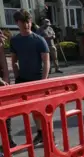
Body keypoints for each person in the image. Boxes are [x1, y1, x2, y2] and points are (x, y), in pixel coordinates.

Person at [10, 9, 51, 146]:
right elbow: (14, 60)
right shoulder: (15, 40)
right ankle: (40, 133)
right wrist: (17, 77)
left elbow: (46, 61)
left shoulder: (39, 40)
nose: (26, 25)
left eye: (28, 22)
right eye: (23, 22)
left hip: (37, 78)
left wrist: (43, 81)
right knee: (29, 110)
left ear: (31, 22)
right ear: (17, 23)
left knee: (41, 110)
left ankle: (47, 135)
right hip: (23, 79)